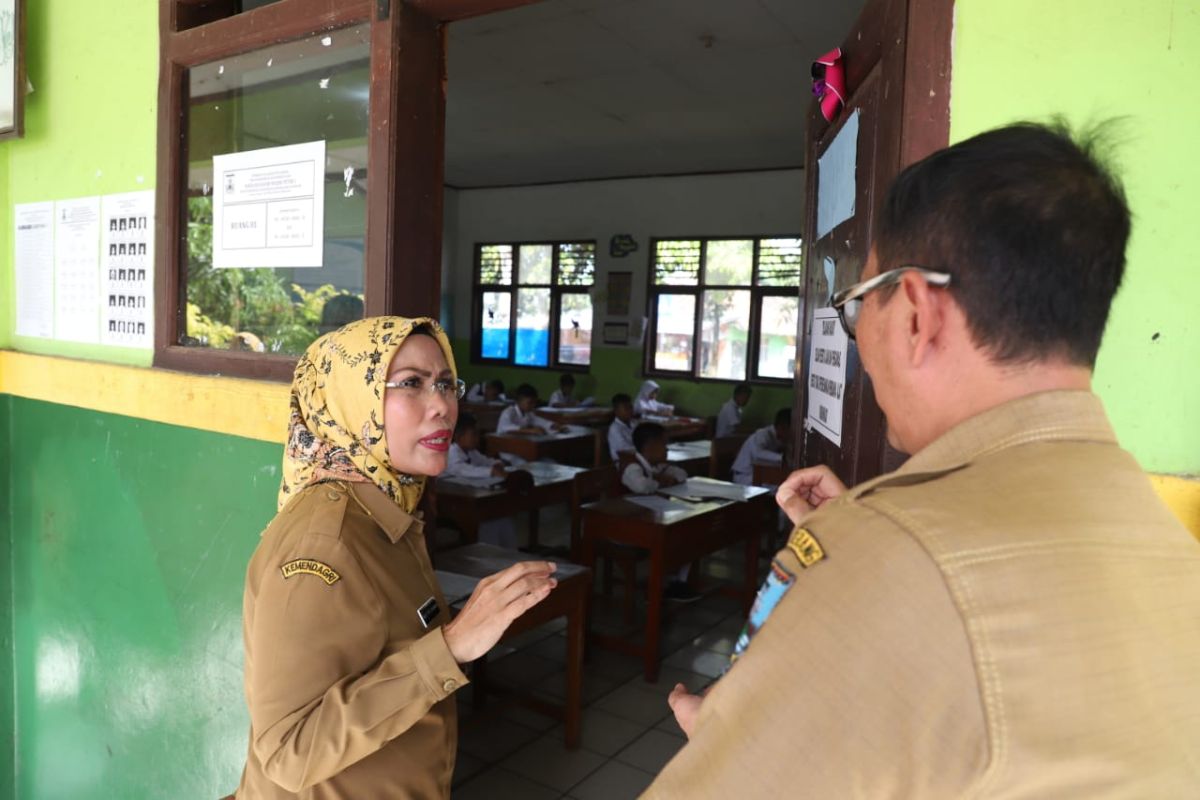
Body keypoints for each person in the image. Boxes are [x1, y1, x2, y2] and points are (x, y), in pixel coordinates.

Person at [646, 122, 1200, 797]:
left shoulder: (892, 547)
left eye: (856, 310)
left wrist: (735, 731)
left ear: (915, 312)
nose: (861, 345)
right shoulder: (1164, 535)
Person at [235, 316, 558, 799]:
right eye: (411, 384)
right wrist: (450, 647)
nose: (443, 408)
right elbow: (288, 751)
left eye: (446, 384)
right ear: (350, 398)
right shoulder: (326, 545)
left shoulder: (384, 509)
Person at [621, 422, 698, 602]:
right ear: (650, 446)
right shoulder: (632, 466)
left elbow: (681, 474)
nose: (667, 449)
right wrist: (661, 481)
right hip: (627, 526)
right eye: (664, 444)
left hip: (649, 523)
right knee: (677, 535)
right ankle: (659, 585)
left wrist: (663, 477)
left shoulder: (655, 466)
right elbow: (640, 485)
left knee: (691, 531)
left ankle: (677, 581)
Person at [441, 412, 517, 548]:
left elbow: (484, 461)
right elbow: (461, 469)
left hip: (466, 495)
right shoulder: (451, 452)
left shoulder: (470, 452)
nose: (477, 438)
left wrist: (496, 464)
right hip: (450, 499)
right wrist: (490, 471)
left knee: (500, 515)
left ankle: (506, 550)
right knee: (487, 516)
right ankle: (487, 551)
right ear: (458, 436)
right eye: (473, 434)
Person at [729, 408, 789, 485]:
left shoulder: (779, 438)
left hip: (757, 475)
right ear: (782, 427)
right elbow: (757, 453)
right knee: (778, 489)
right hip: (744, 477)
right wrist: (782, 458)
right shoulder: (763, 434)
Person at [496, 383, 562, 434]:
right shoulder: (508, 412)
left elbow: (539, 421)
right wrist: (530, 431)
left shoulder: (528, 413)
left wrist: (553, 425)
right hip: (505, 445)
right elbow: (506, 428)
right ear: (519, 401)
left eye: (534, 403)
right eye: (530, 403)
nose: (533, 405)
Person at [607, 392, 636, 462]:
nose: (630, 411)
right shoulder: (614, 429)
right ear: (616, 411)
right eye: (626, 409)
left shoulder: (634, 424)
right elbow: (624, 450)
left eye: (631, 407)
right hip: (623, 463)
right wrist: (644, 449)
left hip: (637, 458)